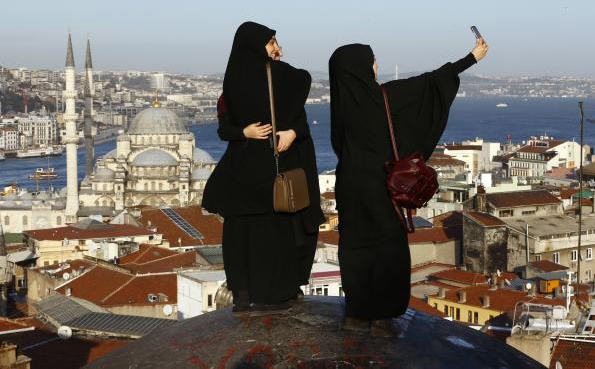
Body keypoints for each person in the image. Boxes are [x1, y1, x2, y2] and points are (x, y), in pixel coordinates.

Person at [328, 36, 488, 334]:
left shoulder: (341, 107)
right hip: (381, 186)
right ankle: (382, 318)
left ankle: (357, 314)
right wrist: (472, 57)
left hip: (350, 187)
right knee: (387, 249)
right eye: (372, 61)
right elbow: (432, 83)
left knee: (354, 248)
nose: (376, 65)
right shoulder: (387, 96)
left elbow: (339, 146)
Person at [203, 21, 324, 314]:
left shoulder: (231, 84)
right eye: (272, 43)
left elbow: (224, 129)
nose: (277, 48)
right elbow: (304, 79)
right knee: (274, 233)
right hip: (271, 170)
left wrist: (244, 132)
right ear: (257, 47)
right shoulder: (282, 80)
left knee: (241, 237)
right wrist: (289, 132)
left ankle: (244, 295)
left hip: (242, 173)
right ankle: (276, 292)